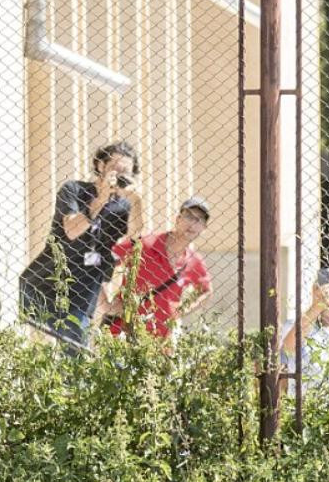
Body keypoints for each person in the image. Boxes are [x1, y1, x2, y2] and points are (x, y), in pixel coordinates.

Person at [19, 141, 143, 350]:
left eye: (126, 173)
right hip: (44, 286)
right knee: (44, 348)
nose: (119, 177)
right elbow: (72, 230)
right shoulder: (74, 190)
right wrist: (101, 199)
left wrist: (136, 200)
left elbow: (135, 241)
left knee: (76, 352)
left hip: (81, 297)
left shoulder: (123, 207)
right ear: (100, 166)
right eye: (115, 170)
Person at [100, 196, 214, 344]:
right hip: (123, 332)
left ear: (204, 228)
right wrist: (105, 305)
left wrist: (180, 312)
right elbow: (101, 264)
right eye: (188, 216)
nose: (192, 223)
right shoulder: (145, 244)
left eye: (199, 220)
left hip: (159, 342)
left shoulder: (194, 260)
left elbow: (206, 291)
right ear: (178, 219)